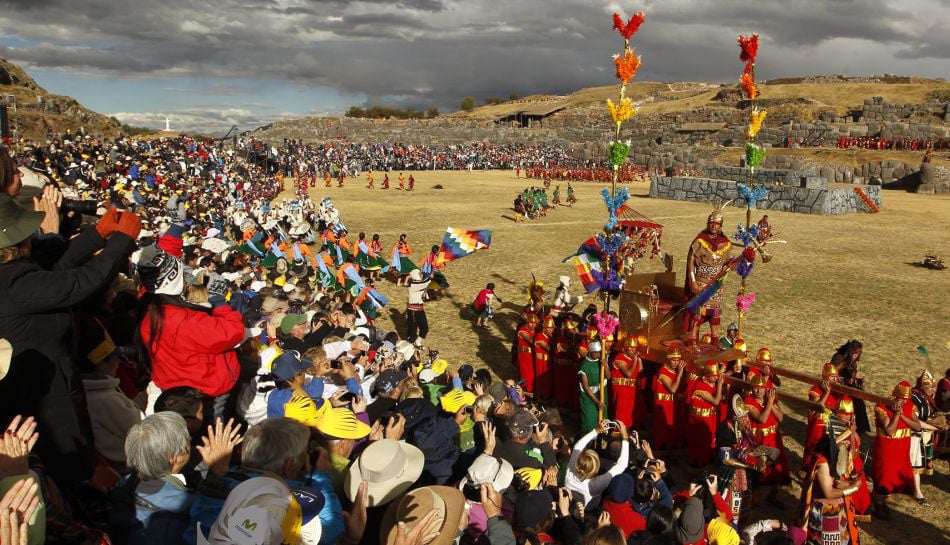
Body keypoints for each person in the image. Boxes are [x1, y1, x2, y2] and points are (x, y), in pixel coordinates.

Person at [0, 193, 141, 485]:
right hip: (44, 399)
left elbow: (59, 270)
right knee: (69, 469)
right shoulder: (15, 285)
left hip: (46, 385)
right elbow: (80, 281)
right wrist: (121, 240)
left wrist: (98, 235)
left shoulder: (16, 277)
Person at [136, 244, 246, 416]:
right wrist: (219, 302)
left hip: (176, 383)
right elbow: (233, 331)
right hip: (205, 391)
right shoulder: (183, 320)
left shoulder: (149, 306)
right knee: (213, 429)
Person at [798, 413, 862, 545]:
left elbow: (851, 456)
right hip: (826, 512)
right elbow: (829, 493)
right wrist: (853, 488)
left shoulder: (836, 456)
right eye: (844, 444)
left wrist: (848, 483)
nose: (846, 446)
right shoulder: (823, 463)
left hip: (837, 510)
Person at [684, 203, 733, 346]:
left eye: (717, 224)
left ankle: (715, 339)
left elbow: (728, 263)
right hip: (702, 281)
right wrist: (692, 281)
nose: (713, 226)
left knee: (715, 312)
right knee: (700, 311)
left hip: (717, 284)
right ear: (708, 224)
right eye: (711, 223)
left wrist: (732, 265)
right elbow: (691, 261)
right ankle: (692, 338)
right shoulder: (700, 240)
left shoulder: (726, 243)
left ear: (720, 226)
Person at [871, 380, 921, 518]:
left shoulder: (910, 406)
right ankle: (878, 505)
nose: (904, 402)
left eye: (906, 400)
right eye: (901, 399)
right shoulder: (881, 407)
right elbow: (890, 431)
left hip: (902, 448)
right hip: (887, 449)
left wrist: (903, 415)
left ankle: (884, 502)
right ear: (894, 396)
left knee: (899, 475)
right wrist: (897, 415)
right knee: (884, 476)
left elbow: (917, 427)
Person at [564, 419, 629, 507]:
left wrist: (596, 430)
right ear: (596, 469)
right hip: (590, 509)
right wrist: (625, 437)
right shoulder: (595, 485)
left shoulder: (569, 473)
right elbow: (622, 465)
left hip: (570, 505)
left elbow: (578, 446)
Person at [910, 370, 940, 505]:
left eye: (934, 386)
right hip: (914, 436)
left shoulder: (927, 397)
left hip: (925, 435)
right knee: (915, 464)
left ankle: (915, 489)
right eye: (931, 386)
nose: (933, 389)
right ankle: (917, 491)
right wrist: (934, 427)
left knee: (918, 464)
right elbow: (914, 420)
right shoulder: (914, 398)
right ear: (922, 386)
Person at [688, 362, 724, 467]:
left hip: (710, 418)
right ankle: (699, 465)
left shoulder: (712, 383)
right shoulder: (700, 386)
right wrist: (720, 385)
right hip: (700, 420)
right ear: (706, 375)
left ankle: (707, 462)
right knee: (701, 443)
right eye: (712, 376)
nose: (715, 378)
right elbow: (716, 401)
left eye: (716, 376)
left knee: (710, 441)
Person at [831, 340, 869, 434]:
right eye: (857, 352)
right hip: (837, 386)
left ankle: (859, 429)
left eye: (860, 352)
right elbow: (833, 370)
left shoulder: (853, 360)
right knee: (853, 402)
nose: (859, 354)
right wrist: (849, 361)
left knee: (859, 402)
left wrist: (857, 380)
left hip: (848, 386)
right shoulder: (839, 357)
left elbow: (852, 375)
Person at [652, 349, 686, 450]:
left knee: (674, 426)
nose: (676, 363)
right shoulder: (663, 372)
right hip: (663, 404)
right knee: (663, 426)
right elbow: (673, 389)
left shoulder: (675, 370)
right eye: (673, 360)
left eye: (678, 360)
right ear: (668, 360)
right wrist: (680, 373)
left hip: (673, 404)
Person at [609, 336, 640, 429]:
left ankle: (626, 433)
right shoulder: (620, 358)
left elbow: (640, 370)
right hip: (621, 391)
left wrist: (639, 360)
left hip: (630, 391)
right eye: (630, 347)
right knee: (620, 413)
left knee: (628, 413)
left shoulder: (633, 358)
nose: (632, 350)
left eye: (634, 348)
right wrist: (635, 360)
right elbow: (629, 374)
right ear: (624, 348)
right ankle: (616, 435)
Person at [578, 341, 604, 434]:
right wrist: (596, 401)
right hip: (588, 397)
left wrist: (605, 365)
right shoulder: (584, 365)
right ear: (590, 352)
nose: (598, 355)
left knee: (600, 419)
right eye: (596, 353)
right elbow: (586, 387)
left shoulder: (600, 362)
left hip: (598, 394)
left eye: (599, 352)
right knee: (589, 421)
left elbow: (608, 376)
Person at [405, 269, 432, 345]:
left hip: (420, 310)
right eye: (420, 274)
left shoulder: (419, 284)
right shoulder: (414, 284)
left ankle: (418, 341)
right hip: (413, 311)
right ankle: (409, 346)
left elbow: (425, 285)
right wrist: (431, 275)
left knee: (425, 328)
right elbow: (426, 283)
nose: (422, 275)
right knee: (412, 331)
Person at [533, 317, 555, 403]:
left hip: (548, 362)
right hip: (541, 362)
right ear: (544, 329)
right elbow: (549, 348)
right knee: (542, 380)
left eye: (552, 329)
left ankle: (548, 397)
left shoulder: (551, 337)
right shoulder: (539, 337)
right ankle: (541, 398)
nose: (551, 330)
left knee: (548, 380)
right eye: (549, 329)